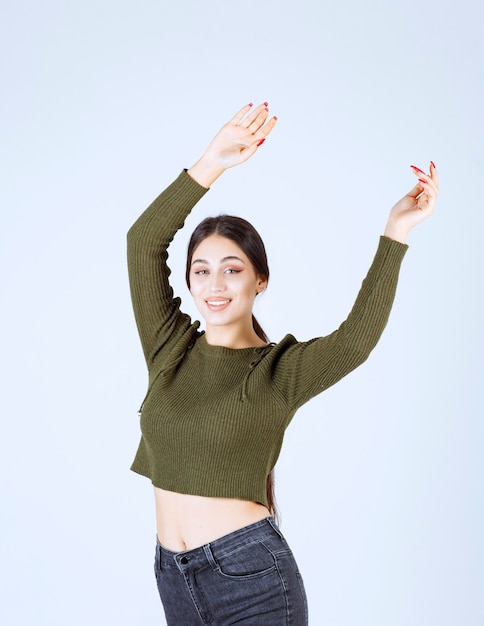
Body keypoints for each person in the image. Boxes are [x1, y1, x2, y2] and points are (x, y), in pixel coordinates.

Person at [127, 102, 438, 625]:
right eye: (201, 270)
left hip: (252, 579)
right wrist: (212, 162)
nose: (215, 284)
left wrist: (396, 232)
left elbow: (354, 342)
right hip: (171, 574)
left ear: (259, 280)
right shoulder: (169, 349)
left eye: (232, 269)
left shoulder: (277, 373)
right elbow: (142, 243)